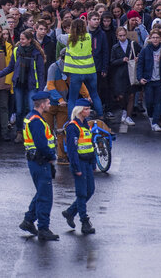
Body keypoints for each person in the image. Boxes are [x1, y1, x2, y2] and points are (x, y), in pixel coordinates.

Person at [19, 91, 59, 241]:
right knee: (45, 197)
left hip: (36, 161)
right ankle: (43, 228)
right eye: (48, 103)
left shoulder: (31, 117)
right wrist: (52, 156)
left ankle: (28, 220)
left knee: (41, 193)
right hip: (40, 161)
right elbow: (42, 145)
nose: (50, 104)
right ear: (42, 105)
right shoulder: (36, 120)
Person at [61, 98, 96, 235]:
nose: (88, 111)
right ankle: (84, 221)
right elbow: (72, 150)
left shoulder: (85, 124)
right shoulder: (72, 127)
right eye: (86, 109)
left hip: (87, 162)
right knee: (82, 193)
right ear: (80, 111)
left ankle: (70, 212)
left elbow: (90, 144)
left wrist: (93, 163)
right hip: (80, 163)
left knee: (90, 190)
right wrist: (76, 167)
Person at [59, 17, 104, 117]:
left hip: (76, 73)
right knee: (94, 95)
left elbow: (58, 35)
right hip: (90, 71)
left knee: (72, 99)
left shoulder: (69, 38)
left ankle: (72, 120)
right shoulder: (89, 36)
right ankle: (101, 116)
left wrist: (59, 22)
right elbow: (86, 31)